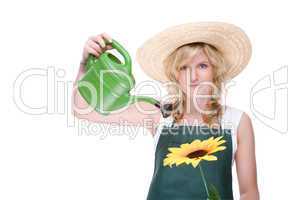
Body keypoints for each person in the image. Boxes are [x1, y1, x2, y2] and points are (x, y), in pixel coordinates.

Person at [72, 22, 260, 200]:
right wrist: (84, 66)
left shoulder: (237, 121)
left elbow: (249, 192)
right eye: (184, 67)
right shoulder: (157, 114)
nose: (193, 77)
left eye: (202, 66)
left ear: (215, 71)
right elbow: (82, 110)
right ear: (175, 74)